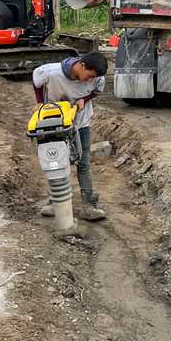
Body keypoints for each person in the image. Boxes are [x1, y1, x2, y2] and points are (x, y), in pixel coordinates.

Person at [32, 51, 109, 222]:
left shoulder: (97, 78)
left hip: (81, 122)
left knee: (83, 162)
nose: (90, 80)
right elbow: (36, 80)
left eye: (93, 77)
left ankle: (88, 205)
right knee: (56, 163)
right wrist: (39, 102)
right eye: (89, 76)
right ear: (82, 65)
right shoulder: (52, 72)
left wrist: (85, 98)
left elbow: (97, 89)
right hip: (54, 124)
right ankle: (54, 202)